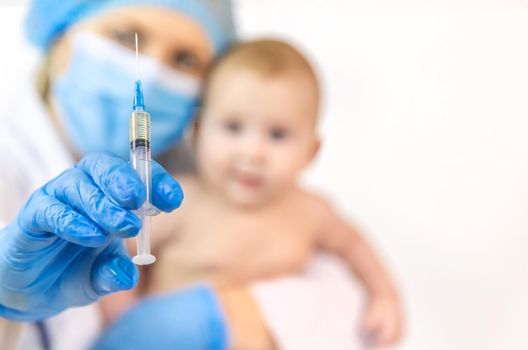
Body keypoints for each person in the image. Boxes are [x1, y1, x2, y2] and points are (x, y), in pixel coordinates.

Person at [97, 39, 404, 349]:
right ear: (198, 131)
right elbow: (120, 252)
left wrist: (384, 297)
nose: (253, 152)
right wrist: (123, 320)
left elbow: (355, 248)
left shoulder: (311, 212)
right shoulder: (177, 202)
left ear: (311, 152)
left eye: (277, 135)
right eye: (233, 127)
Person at [0, 0, 237, 349]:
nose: (153, 74)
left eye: (185, 60)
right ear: (60, 39)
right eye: (127, 36)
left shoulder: (202, 178)